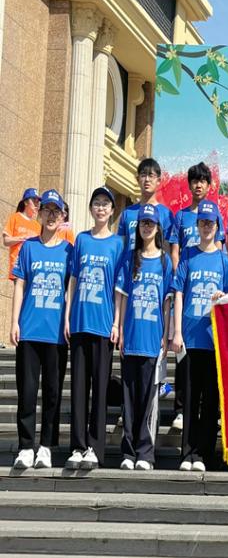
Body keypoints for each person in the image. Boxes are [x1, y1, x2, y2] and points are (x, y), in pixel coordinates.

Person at [9, 190, 72, 470]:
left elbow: (71, 289)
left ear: (63, 216)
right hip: (30, 330)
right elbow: (19, 285)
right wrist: (14, 322)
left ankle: (46, 446)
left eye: (56, 211)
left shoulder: (69, 250)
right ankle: (25, 446)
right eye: (47, 210)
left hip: (56, 332)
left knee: (52, 392)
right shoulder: (28, 248)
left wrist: (69, 320)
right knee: (27, 391)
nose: (51, 215)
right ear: (40, 213)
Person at [170, 200, 228, 472]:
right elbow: (178, 293)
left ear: (217, 227)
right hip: (189, 338)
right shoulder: (188, 255)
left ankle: (204, 454)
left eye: (211, 223)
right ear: (197, 226)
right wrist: (176, 331)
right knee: (190, 398)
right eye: (203, 222)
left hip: (213, 340)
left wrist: (224, 296)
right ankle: (187, 453)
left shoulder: (224, 260)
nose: (207, 227)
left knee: (210, 400)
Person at [63, 186, 124, 470]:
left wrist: (116, 323)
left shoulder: (118, 244)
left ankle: (95, 448)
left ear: (112, 211)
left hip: (103, 325)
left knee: (100, 389)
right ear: (91, 209)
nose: (101, 208)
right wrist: (67, 316)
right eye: (96, 203)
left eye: (105, 204)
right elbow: (73, 280)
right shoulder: (81, 240)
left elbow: (119, 289)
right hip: (79, 322)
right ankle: (77, 446)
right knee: (78, 388)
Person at [114, 204, 174, 472]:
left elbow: (166, 303)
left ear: (158, 227)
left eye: (151, 223)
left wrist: (166, 335)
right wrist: (119, 328)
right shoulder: (130, 258)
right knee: (128, 400)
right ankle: (128, 452)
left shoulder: (165, 261)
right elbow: (123, 297)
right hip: (131, 339)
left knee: (149, 402)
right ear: (137, 227)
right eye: (143, 223)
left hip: (152, 340)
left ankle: (145, 453)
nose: (147, 227)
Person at [117, 158, 177, 258]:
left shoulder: (166, 214)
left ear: (158, 180)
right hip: (129, 266)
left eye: (151, 175)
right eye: (143, 175)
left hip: (155, 266)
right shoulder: (127, 213)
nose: (147, 180)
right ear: (138, 179)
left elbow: (166, 248)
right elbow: (120, 246)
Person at [172, 162, 225, 259]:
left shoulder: (215, 213)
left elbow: (218, 245)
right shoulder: (181, 215)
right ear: (189, 185)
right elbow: (175, 251)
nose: (198, 185)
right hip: (186, 267)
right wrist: (177, 268)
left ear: (208, 186)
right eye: (195, 181)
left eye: (202, 181)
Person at [4, 188, 41, 282]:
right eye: (34, 200)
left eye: (38, 201)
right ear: (25, 202)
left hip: (32, 266)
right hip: (17, 265)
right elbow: (6, 241)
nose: (37, 204)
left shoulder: (37, 226)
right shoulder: (15, 217)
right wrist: (21, 238)